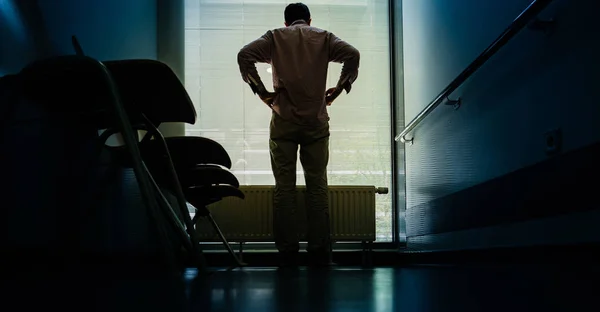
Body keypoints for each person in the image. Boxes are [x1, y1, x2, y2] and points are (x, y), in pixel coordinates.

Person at [237, 2, 360, 267]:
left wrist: (260, 91)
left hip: (283, 121)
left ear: (286, 23)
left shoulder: (274, 38)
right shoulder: (324, 37)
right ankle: (318, 250)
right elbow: (353, 54)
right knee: (317, 186)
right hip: (315, 121)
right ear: (309, 19)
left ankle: (288, 251)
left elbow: (244, 55)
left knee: (284, 188)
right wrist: (339, 89)